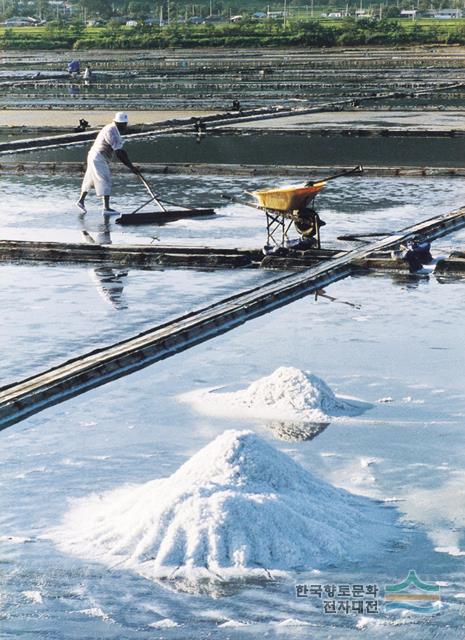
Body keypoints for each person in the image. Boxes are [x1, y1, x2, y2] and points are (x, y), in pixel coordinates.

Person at [76, 112, 139, 215]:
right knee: (105, 179)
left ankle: (81, 201)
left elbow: (122, 151)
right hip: (98, 157)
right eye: (121, 124)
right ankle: (106, 208)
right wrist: (131, 167)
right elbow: (119, 153)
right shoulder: (112, 131)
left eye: (124, 124)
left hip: (94, 156)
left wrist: (131, 165)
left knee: (90, 179)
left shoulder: (113, 129)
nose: (124, 126)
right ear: (116, 122)